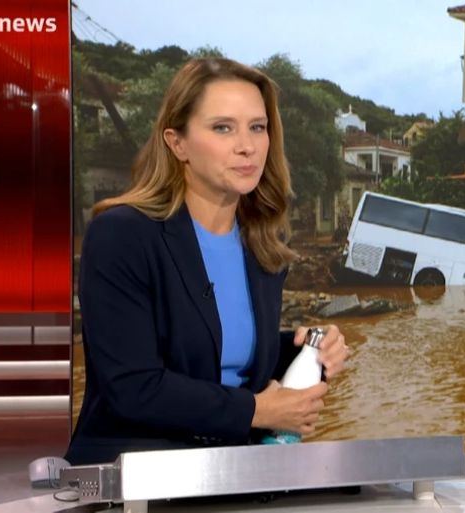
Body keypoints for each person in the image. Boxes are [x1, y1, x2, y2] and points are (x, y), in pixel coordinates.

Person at [66, 57, 349, 465]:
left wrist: (305, 350)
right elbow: (132, 387)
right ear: (176, 142)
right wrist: (258, 411)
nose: (247, 145)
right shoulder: (121, 234)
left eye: (258, 127)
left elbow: (215, 354)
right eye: (222, 128)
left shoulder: (263, 244)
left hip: (234, 472)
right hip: (135, 479)